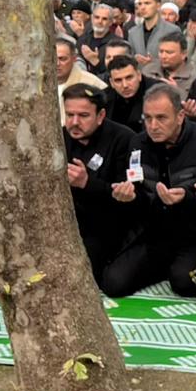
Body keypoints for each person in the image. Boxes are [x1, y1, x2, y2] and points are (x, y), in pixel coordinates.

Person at [99, 83, 196, 298]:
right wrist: (129, 197)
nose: (153, 125)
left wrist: (186, 198)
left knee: (184, 284)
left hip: (195, 230)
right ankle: (163, 267)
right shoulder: (137, 143)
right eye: (147, 118)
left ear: (180, 116)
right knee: (113, 284)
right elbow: (137, 191)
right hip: (153, 231)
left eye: (161, 118)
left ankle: (177, 267)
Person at [61, 84, 139, 280]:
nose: (74, 122)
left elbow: (128, 200)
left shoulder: (124, 139)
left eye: (83, 115)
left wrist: (88, 184)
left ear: (101, 115)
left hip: (106, 226)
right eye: (70, 115)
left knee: (76, 276)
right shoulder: (58, 137)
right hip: (65, 224)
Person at [127, 0, 182, 71]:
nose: (142, 7)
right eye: (140, 4)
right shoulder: (133, 32)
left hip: (164, 79)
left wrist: (154, 63)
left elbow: (179, 59)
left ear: (158, 6)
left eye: (147, 3)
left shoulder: (172, 30)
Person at [103, 55, 157, 134]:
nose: (125, 85)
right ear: (111, 83)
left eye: (129, 78)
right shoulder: (105, 97)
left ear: (139, 75)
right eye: (118, 80)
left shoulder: (157, 91)